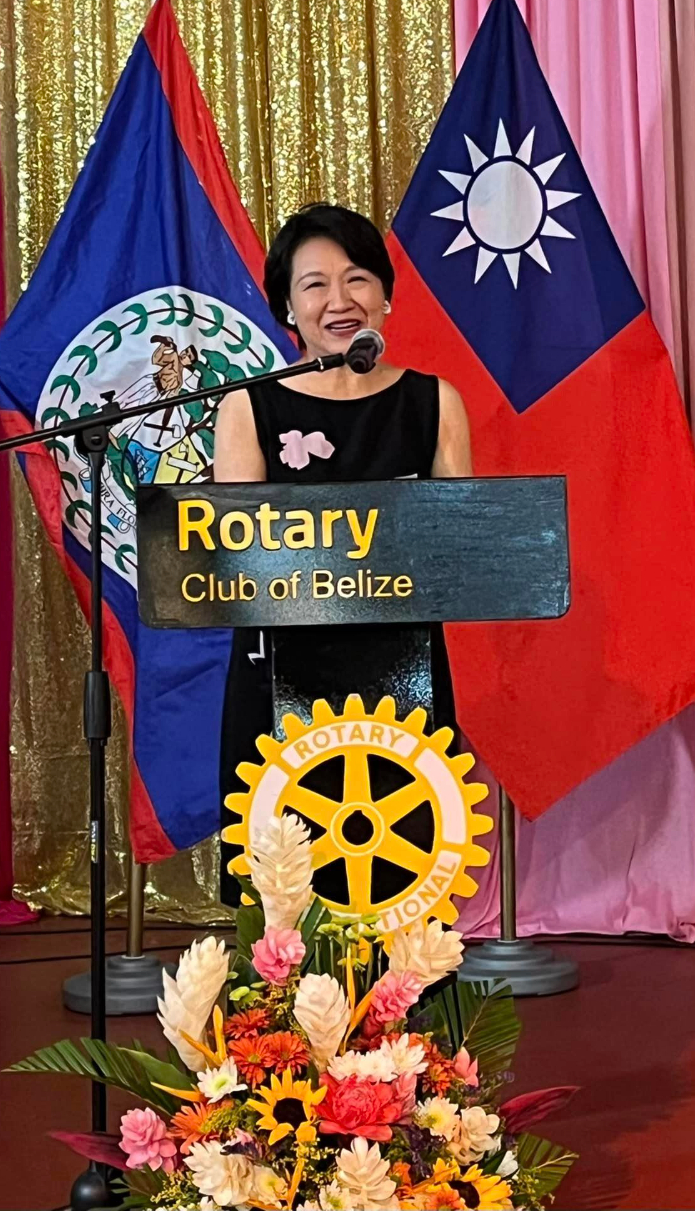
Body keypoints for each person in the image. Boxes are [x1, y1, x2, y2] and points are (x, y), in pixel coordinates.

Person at [214, 203, 472, 898]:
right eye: (315, 284)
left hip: (403, 675)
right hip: (280, 671)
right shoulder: (249, 407)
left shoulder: (433, 403)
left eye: (357, 278)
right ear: (287, 307)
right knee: (282, 895)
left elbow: (462, 549)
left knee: (404, 882)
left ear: (385, 296)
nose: (339, 300)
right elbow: (236, 559)